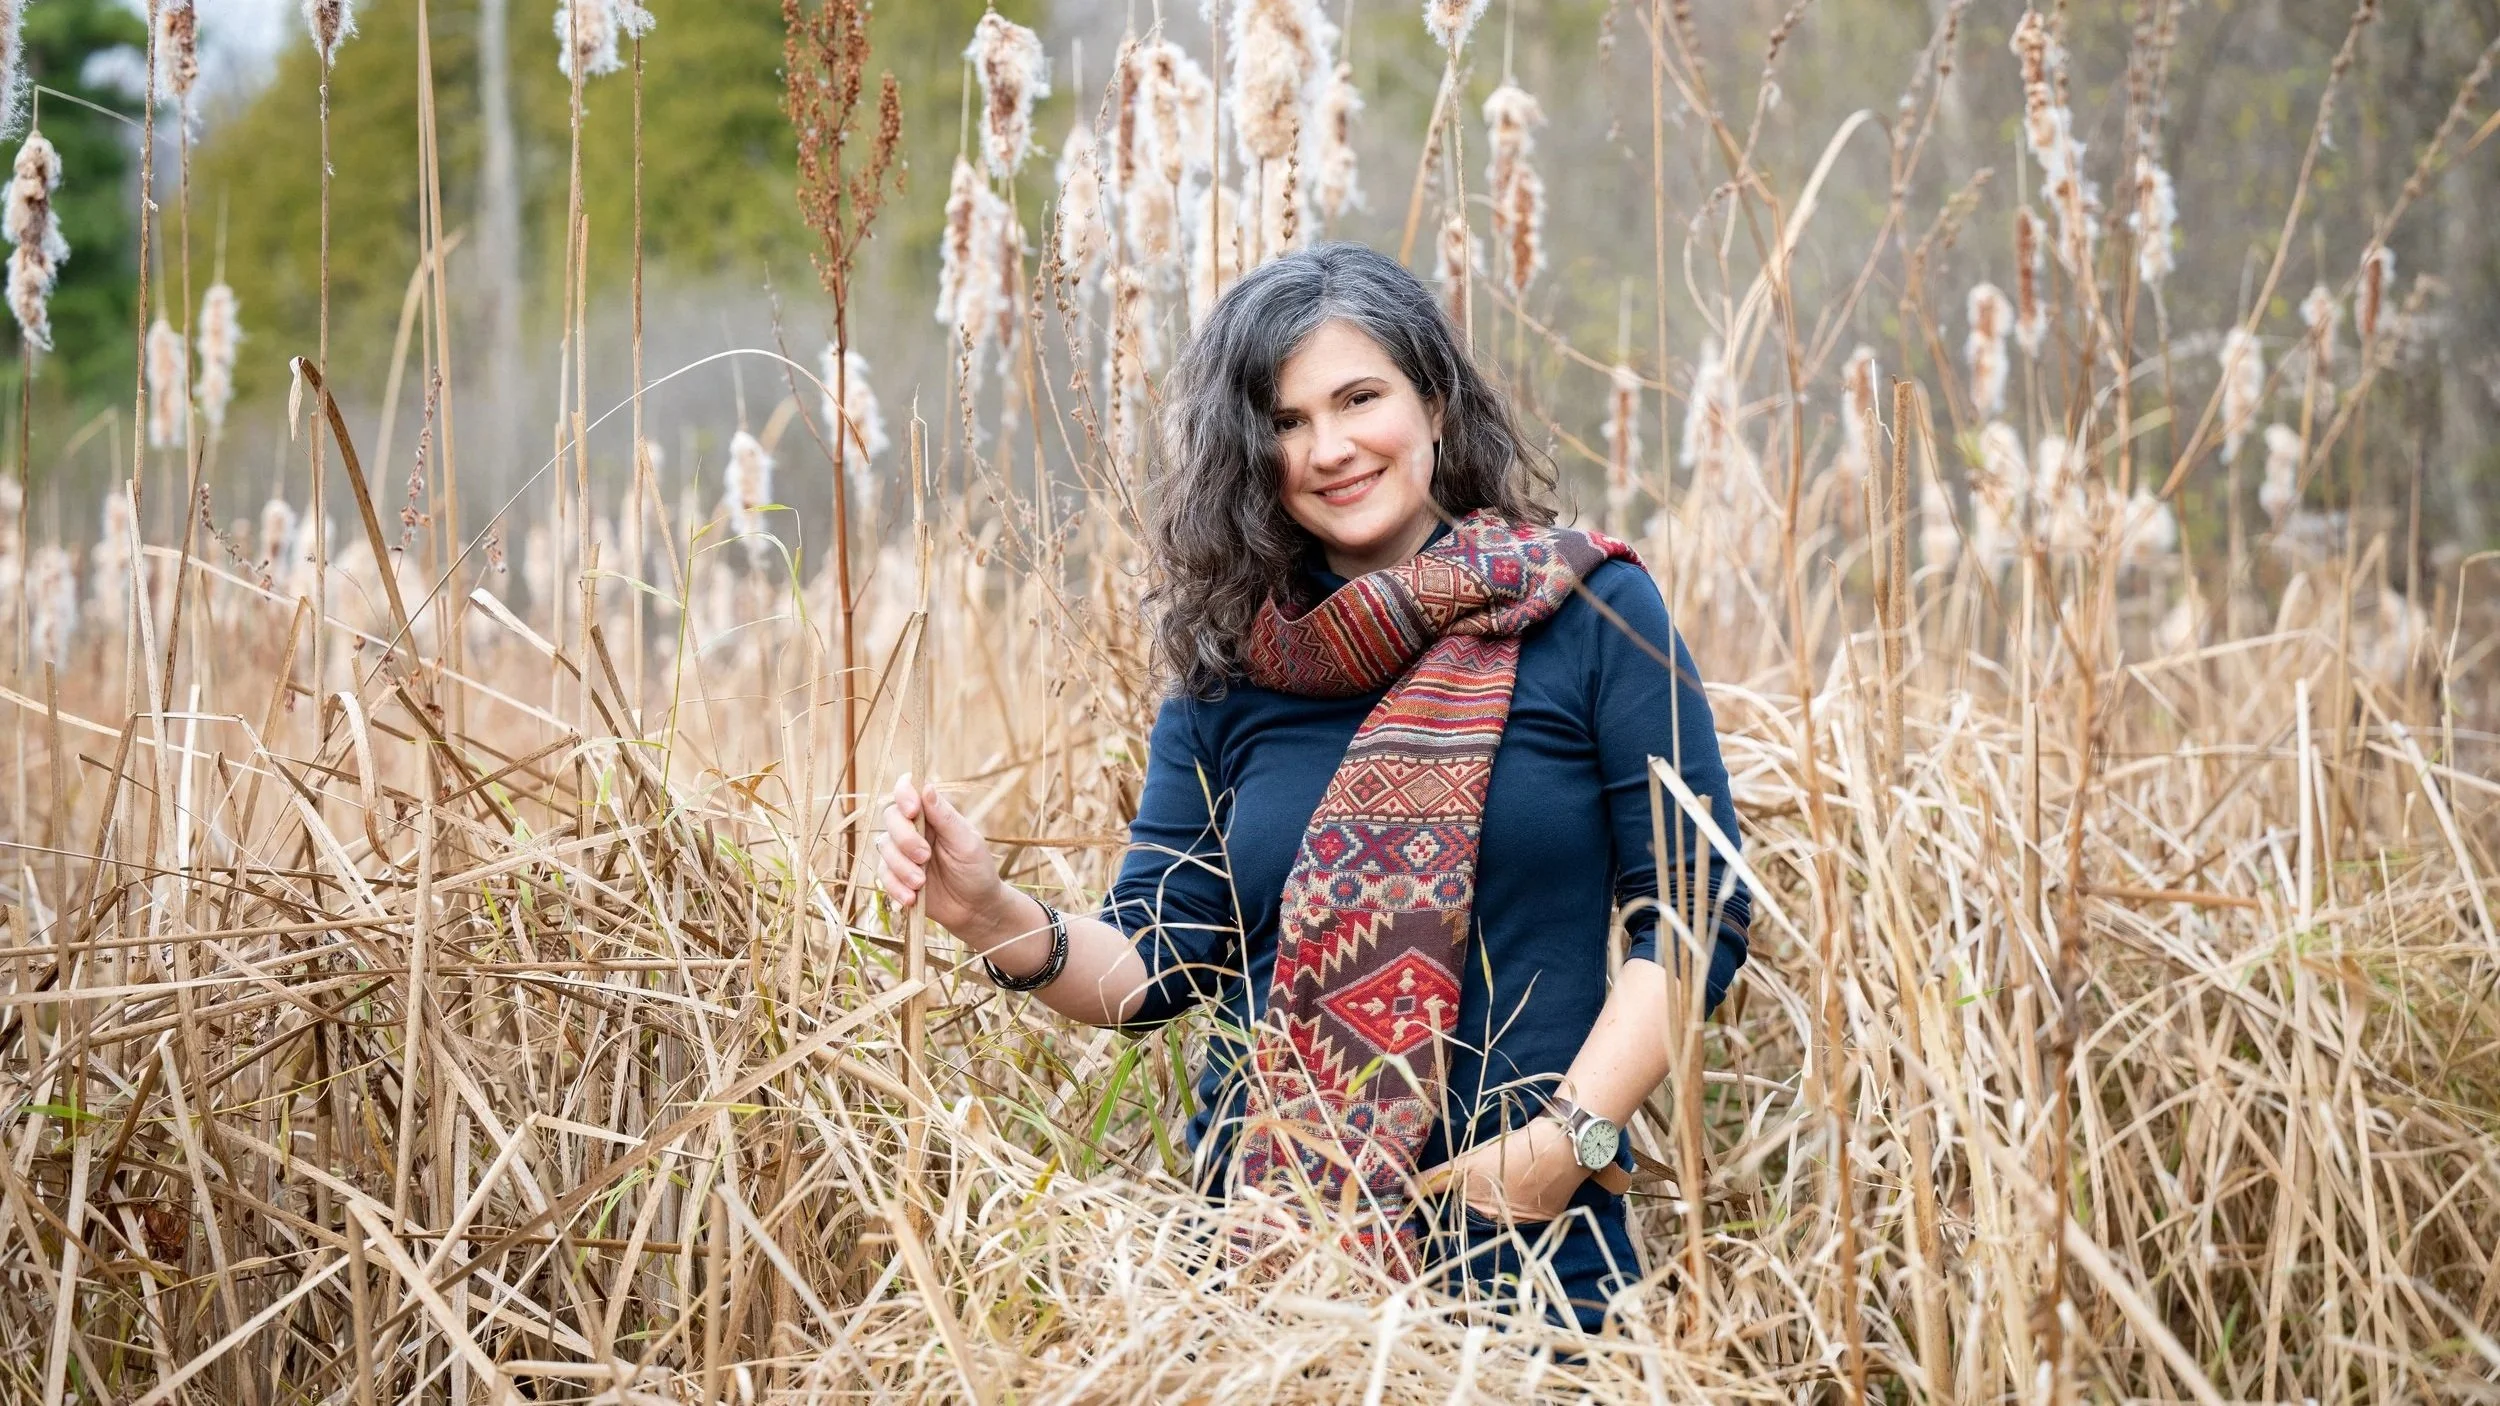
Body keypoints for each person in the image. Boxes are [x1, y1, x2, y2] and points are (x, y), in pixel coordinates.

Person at [875, 242, 1750, 1336]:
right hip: (1268, 1274)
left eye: (1359, 397)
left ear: (1432, 399)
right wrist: (990, 913)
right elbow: (1161, 959)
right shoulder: (1230, 668)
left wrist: (1564, 1139)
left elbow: (1693, 906)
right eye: (1286, 421)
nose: (1329, 447)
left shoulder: (1590, 609)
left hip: (1527, 1256)